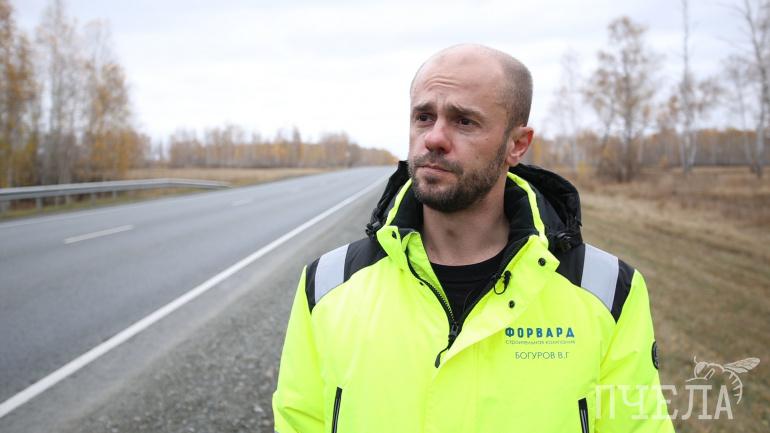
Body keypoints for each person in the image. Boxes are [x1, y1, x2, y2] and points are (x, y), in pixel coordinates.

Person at [273, 44, 674, 433]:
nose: (434, 138)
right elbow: (299, 421)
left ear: (517, 144)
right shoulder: (327, 284)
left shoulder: (606, 291)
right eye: (424, 117)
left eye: (464, 121)